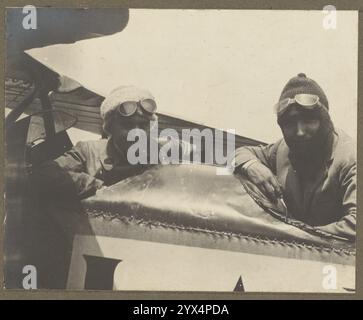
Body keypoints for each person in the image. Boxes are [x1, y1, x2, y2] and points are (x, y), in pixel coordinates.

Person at [233, 73, 356, 241]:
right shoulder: (283, 148)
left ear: (324, 121)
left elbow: (355, 226)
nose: (299, 132)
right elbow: (241, 152)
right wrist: (252, 165)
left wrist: (291, 235)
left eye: (308, 121)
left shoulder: (351, 158)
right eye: (290, 124)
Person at [33, 85, 192, 199]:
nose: (137, 133)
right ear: (110, 127)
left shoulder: (161, 155)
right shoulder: (88, 151)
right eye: (128, 125)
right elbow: (45, 173)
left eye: (143, 125)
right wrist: (98, 188)